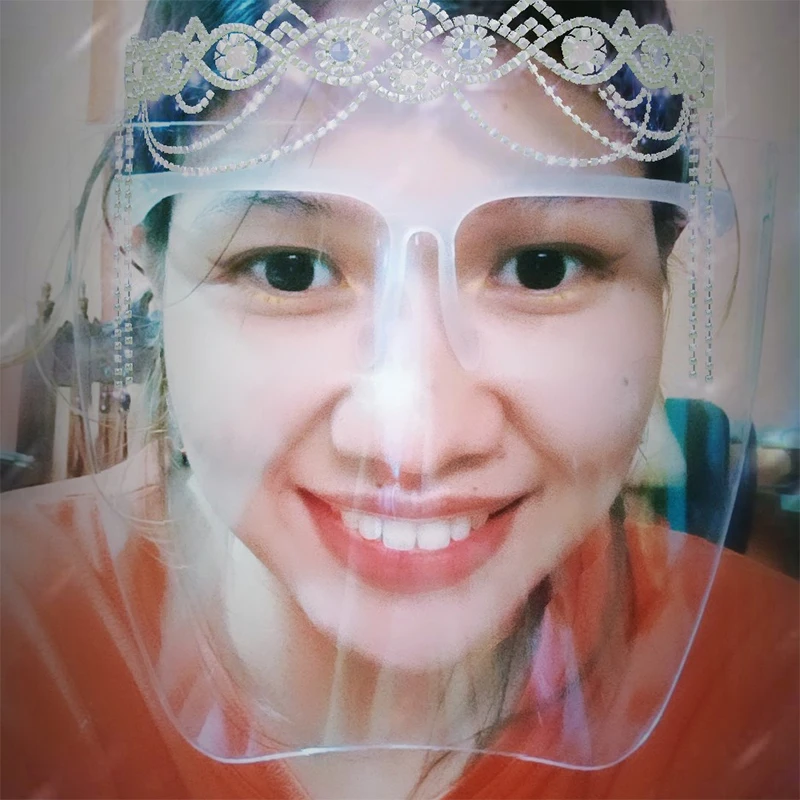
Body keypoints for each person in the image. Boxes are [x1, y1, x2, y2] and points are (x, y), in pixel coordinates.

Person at [1, 0, 797, 797]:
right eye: (289, 270)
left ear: (662, 268)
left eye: (542, 266)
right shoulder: (23, 635)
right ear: (148, 260)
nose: (417, 441)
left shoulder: (767, 681)